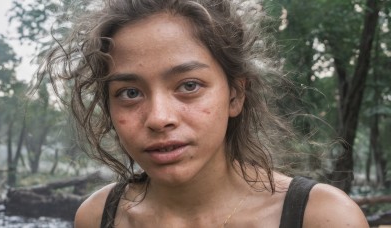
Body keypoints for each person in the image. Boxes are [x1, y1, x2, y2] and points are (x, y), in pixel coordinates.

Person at [40, 0, 369, 227]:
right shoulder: (98, 217)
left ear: (235, 95)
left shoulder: (322, 217)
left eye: (189, 85)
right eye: (130, 93)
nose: (158, 118)